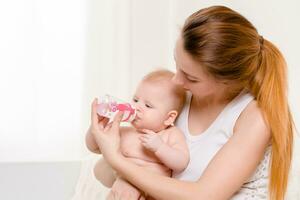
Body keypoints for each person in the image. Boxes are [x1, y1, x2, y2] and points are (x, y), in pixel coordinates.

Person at [89, 5, 294, 200]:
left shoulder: (255, 117)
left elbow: (202, 196)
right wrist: (125, 178)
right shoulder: (177, 100)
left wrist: (118, 162)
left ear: (226, 81)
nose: (176, 81)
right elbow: (101, 169)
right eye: (177, 65)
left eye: (190, 77)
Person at [86, 69, 189, 200]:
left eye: (147, 105)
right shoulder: (124, 131)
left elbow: (181, 162)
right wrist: (95, 128)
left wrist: (160, 147)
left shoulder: (170, 135)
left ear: (169, 118)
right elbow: (94, 147)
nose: (137, 107)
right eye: (135, 100)